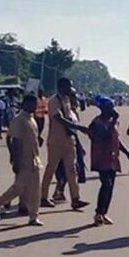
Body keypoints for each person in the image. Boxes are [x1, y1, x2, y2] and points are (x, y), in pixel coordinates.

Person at [0, 94, 44, 226]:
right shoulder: (19, 120)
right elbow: (15, 141)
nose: (34, 106)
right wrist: (15, 160)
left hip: (34, 159)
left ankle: (33, 216)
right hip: (23, 159)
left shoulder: (32, 119)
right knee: (18, 188)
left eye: (35, 104)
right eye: (31, 103)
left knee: (35, 190)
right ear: (24, 104)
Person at [40, 77, 89, 210]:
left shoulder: (67, 100)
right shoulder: (53, 101)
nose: (69, 90)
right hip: (56, 140)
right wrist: (79, 128)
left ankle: (75, 198)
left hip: (69, 140)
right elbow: (59, 118)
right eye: (68, 87)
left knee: (72, 170)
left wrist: (76, 131)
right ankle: (43, 197)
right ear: (61, 87)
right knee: (51, 168)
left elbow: (71, 117)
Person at [87, 97, 129, 225]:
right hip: (101, 158)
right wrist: (113, 122)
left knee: (111, 186)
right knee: (106, 184)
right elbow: (104, 136)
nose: (112, 110)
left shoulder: (113, 121)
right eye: (110, 107)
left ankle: (103, 213)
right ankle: (98, 213)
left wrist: (127, 153)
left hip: (112, 157)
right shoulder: (97, 123)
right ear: (103, 109)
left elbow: (115, 139)